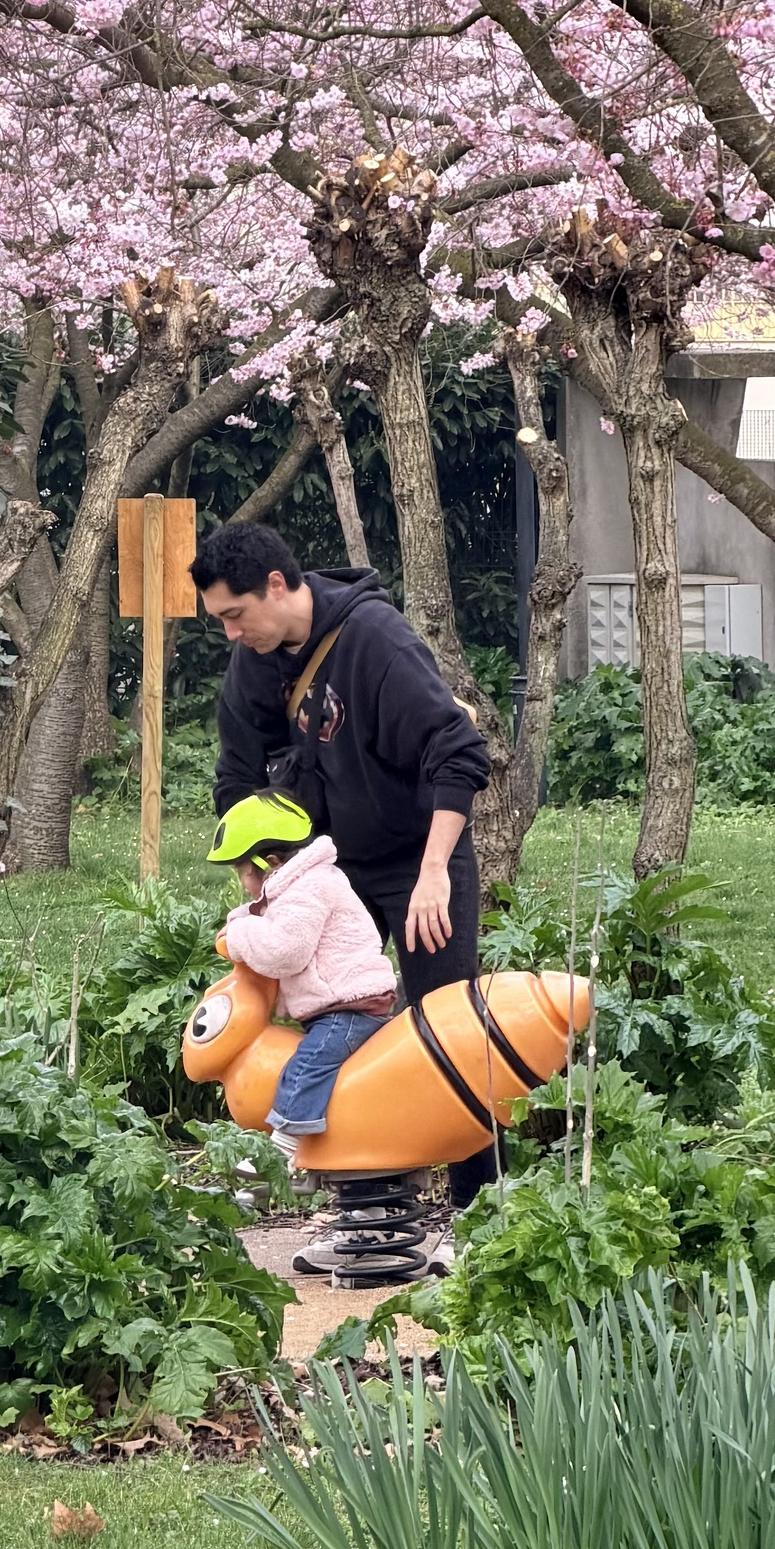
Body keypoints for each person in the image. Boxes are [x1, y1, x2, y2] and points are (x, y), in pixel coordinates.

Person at [190, 516, 496, 1272]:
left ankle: (477, 1216)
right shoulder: (254, 663)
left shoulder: (376, 641)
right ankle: (370, 1209)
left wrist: (433, 876)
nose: (231, 633)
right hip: (325, 867)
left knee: (445, 1032)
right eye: (219, 622)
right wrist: (260, 881)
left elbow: (458, 754)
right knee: (337, 1025)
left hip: (418, 859)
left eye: (235, 615)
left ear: (275, 586)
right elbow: (237, 780)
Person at [208, 793, 399, 1137]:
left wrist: (238, 936)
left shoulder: (309, 889)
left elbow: (284, 950)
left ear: (268, 863)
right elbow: (269, 918)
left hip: (350, 1008)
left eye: (242, 872)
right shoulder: (298, 886)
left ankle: (287, 1145)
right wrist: (239, 922)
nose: (243, 885)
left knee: (305, 1068)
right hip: (339, 1006)